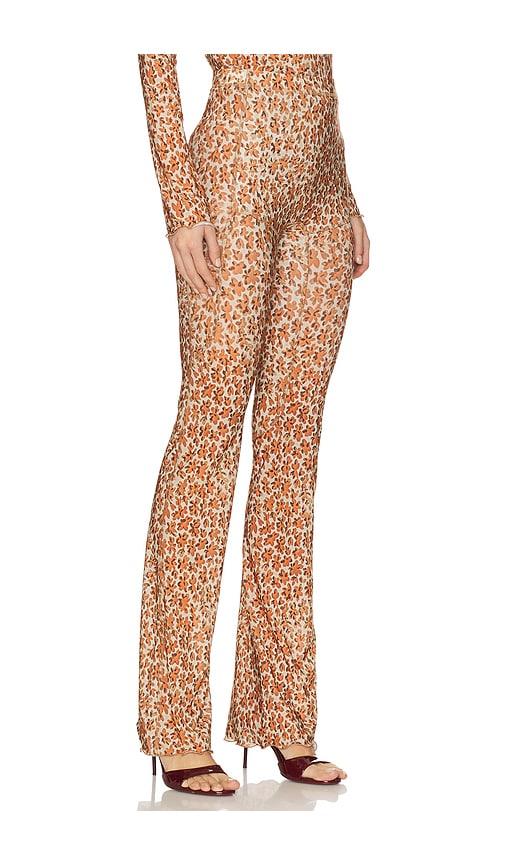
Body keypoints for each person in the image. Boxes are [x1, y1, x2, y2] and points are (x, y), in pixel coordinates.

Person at [137, 53, 370, 797]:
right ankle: (175, 724)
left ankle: (281, 712)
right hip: (229, 177)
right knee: (208, 433)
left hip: (320, 196)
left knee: (291, 452)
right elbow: (152, 51)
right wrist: (181, 204)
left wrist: (346, 193)